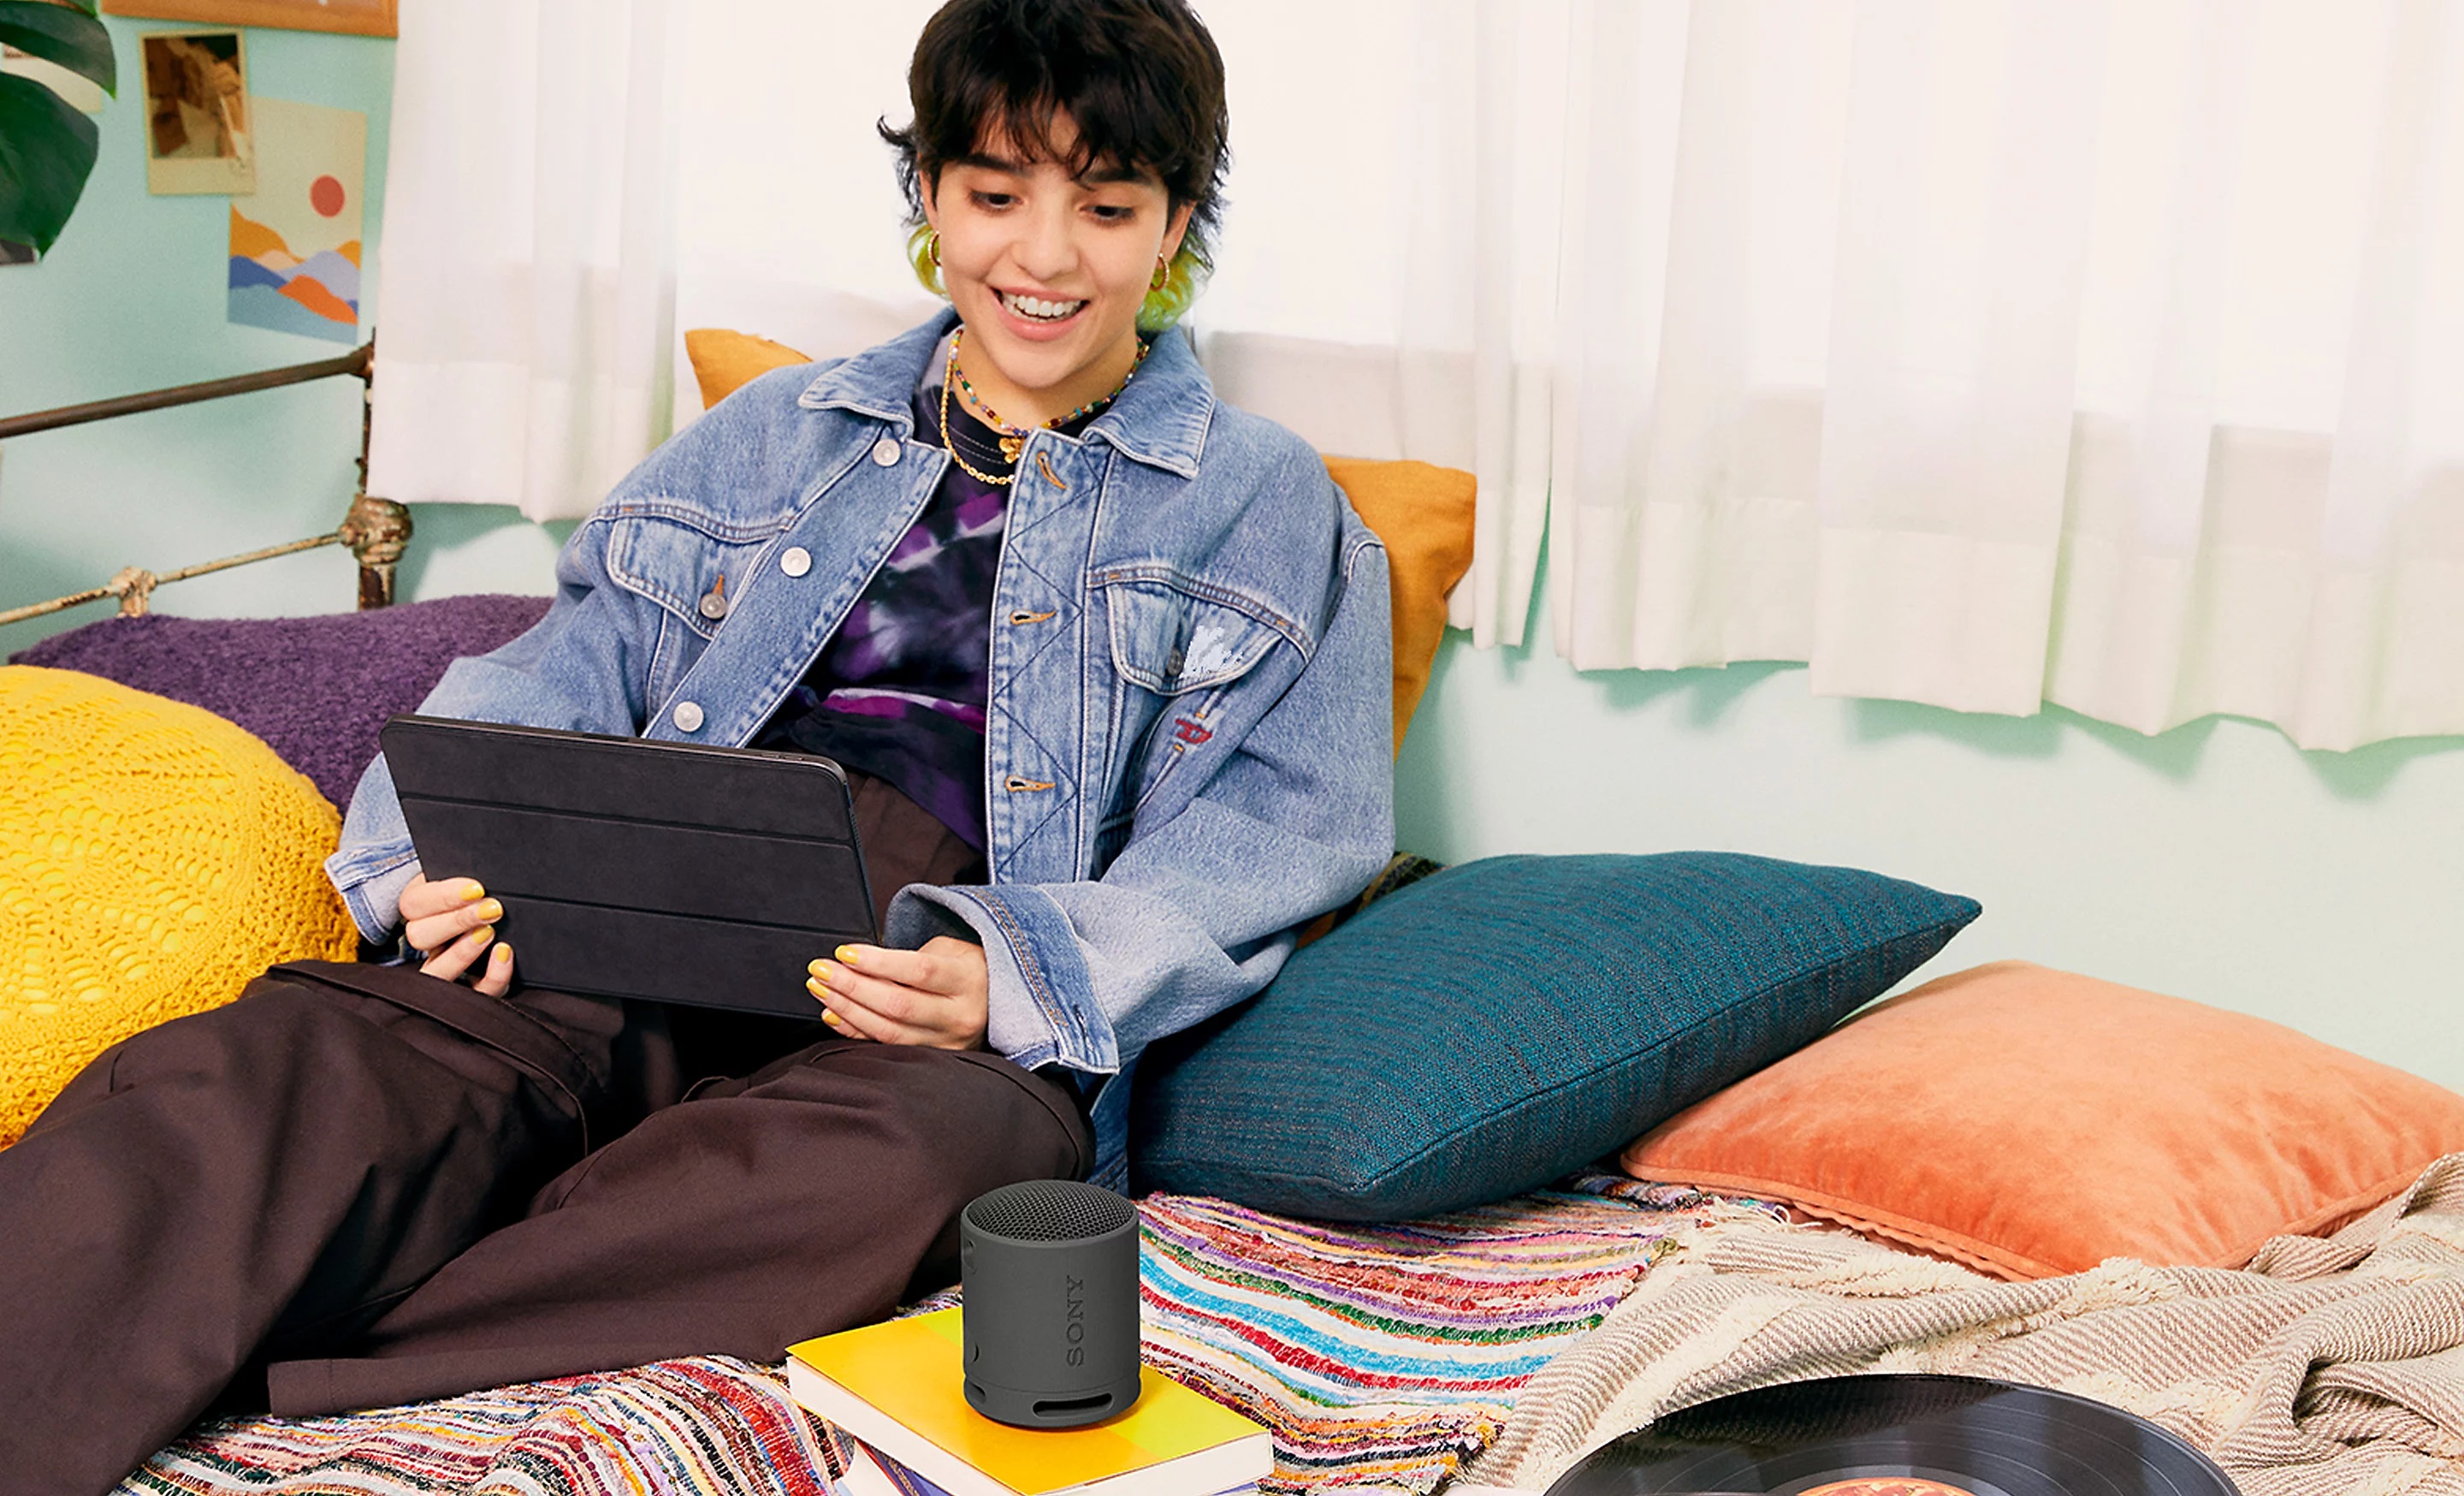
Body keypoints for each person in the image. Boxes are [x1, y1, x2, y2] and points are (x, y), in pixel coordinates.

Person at [0, 2, 1395, 1490]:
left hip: (925, 986)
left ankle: (302, 1346)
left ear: (1174, 224)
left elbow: (1286, 832)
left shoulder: (1267, 503)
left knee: (918, 1168)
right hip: (639, 891)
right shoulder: (776, 430)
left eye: (1105, 210)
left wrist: (1016, 978)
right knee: (273, 1074)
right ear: (930, 194)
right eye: (995, 194)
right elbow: (561, 668)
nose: (1043, 259)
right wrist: (429, 863)